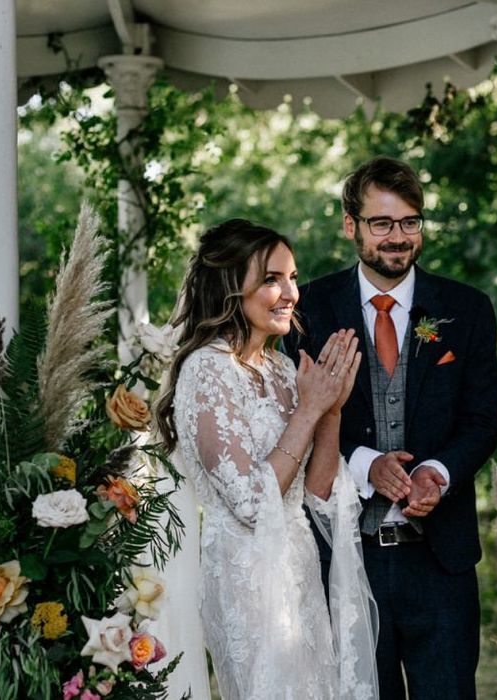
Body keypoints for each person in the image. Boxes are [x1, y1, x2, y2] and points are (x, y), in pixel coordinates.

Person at [285, 157, 497, 699]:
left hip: (441, 563)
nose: (398, 238)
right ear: (350, 224)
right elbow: (296, 421)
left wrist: (436, 472)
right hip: (345, 561)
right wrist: (365, 465)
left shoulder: (467, 309)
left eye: (409, 222)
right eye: (381, 223)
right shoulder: (307, 309)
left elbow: (480, 424)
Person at [155, 219, 378, 700]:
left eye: (293, 277)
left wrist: (332, 410)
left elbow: (317, 494)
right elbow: (254, 504)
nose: (290, 293)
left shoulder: (281, 368)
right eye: (272, 279)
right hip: (245, 579)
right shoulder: (205, 371)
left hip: (299, 574)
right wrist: (310, 410)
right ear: (231, 289)